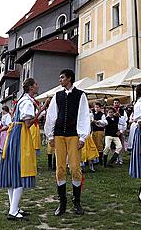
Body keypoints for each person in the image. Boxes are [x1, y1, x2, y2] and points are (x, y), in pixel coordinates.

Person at [0, 78, 48, 220]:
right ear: (31, 87)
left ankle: (14, 207)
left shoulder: (23, 100)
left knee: (13, 170)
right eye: (36, 84)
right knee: (21, 170)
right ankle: (13, 211)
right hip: (20, 136)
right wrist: (41, 112)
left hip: (14, 135)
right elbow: (28, 123)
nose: (38, 86)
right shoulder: (27, 102)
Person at [44, 69, 90, 216]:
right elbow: (51, 116)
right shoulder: (57, 96)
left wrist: (83, 137)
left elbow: (84, 115)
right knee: (60, 168)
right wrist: (50, 135)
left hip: (74, 135)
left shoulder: (80, 95)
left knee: (76, 168)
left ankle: (77, 201)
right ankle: (62, 202)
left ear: (69, 78)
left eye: (62, 78)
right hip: (58, 135)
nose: (60, 80)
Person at [113, 99, 127, 164]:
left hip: (120, 130)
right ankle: (115, 159)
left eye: (117, 103)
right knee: (114, 145)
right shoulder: (111, 111)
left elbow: (125, 121)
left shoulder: (122, 111)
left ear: (119, 104)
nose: (116, 104)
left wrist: (119, 116)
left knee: (120, 145)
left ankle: (121, 159)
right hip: (113, 130)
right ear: (113, 104)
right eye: (115, 103)